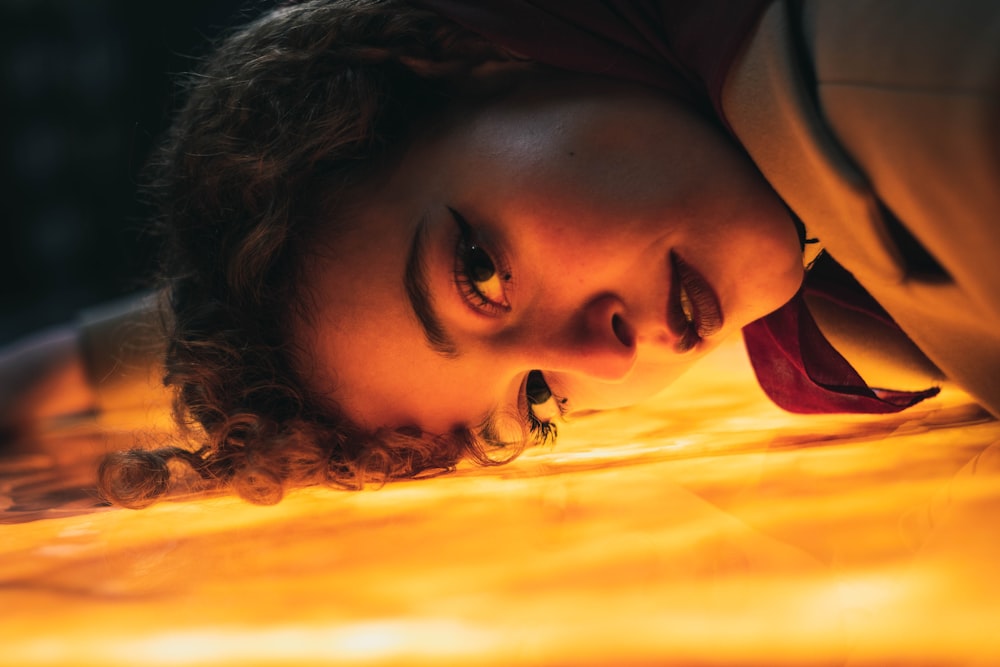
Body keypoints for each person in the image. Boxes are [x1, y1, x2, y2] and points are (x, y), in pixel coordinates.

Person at [1, 0, 996, 508]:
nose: (603, 361)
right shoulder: (730, 161)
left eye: (480, 274)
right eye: (534, 397)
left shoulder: (920, 107)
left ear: (461, 54)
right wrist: (44, 380)